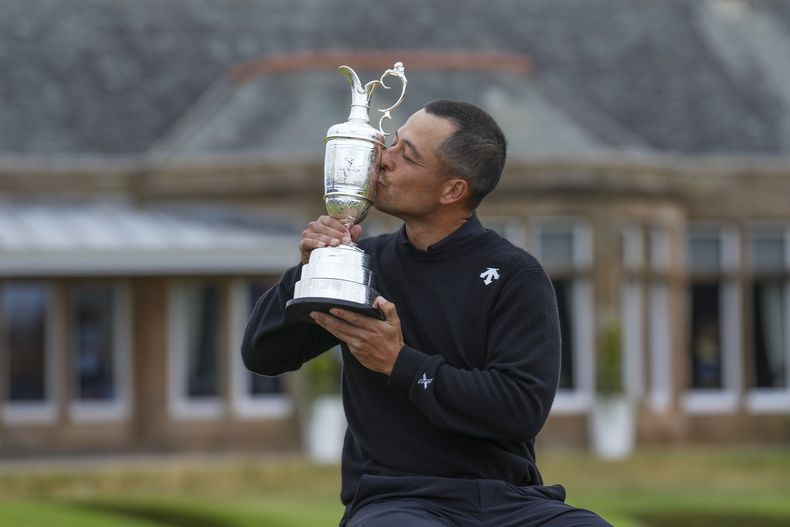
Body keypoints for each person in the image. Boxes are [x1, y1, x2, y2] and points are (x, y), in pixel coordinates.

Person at [242, 100, 612, 527]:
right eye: (392, 143)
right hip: (396, 501)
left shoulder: (516, 275)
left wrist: (400, 363)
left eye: (407, 155)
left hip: (511, 501)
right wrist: (309, 271)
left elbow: (520, 409)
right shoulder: (364, 264)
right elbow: (263, 356)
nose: (383, 159)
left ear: (452, 190)